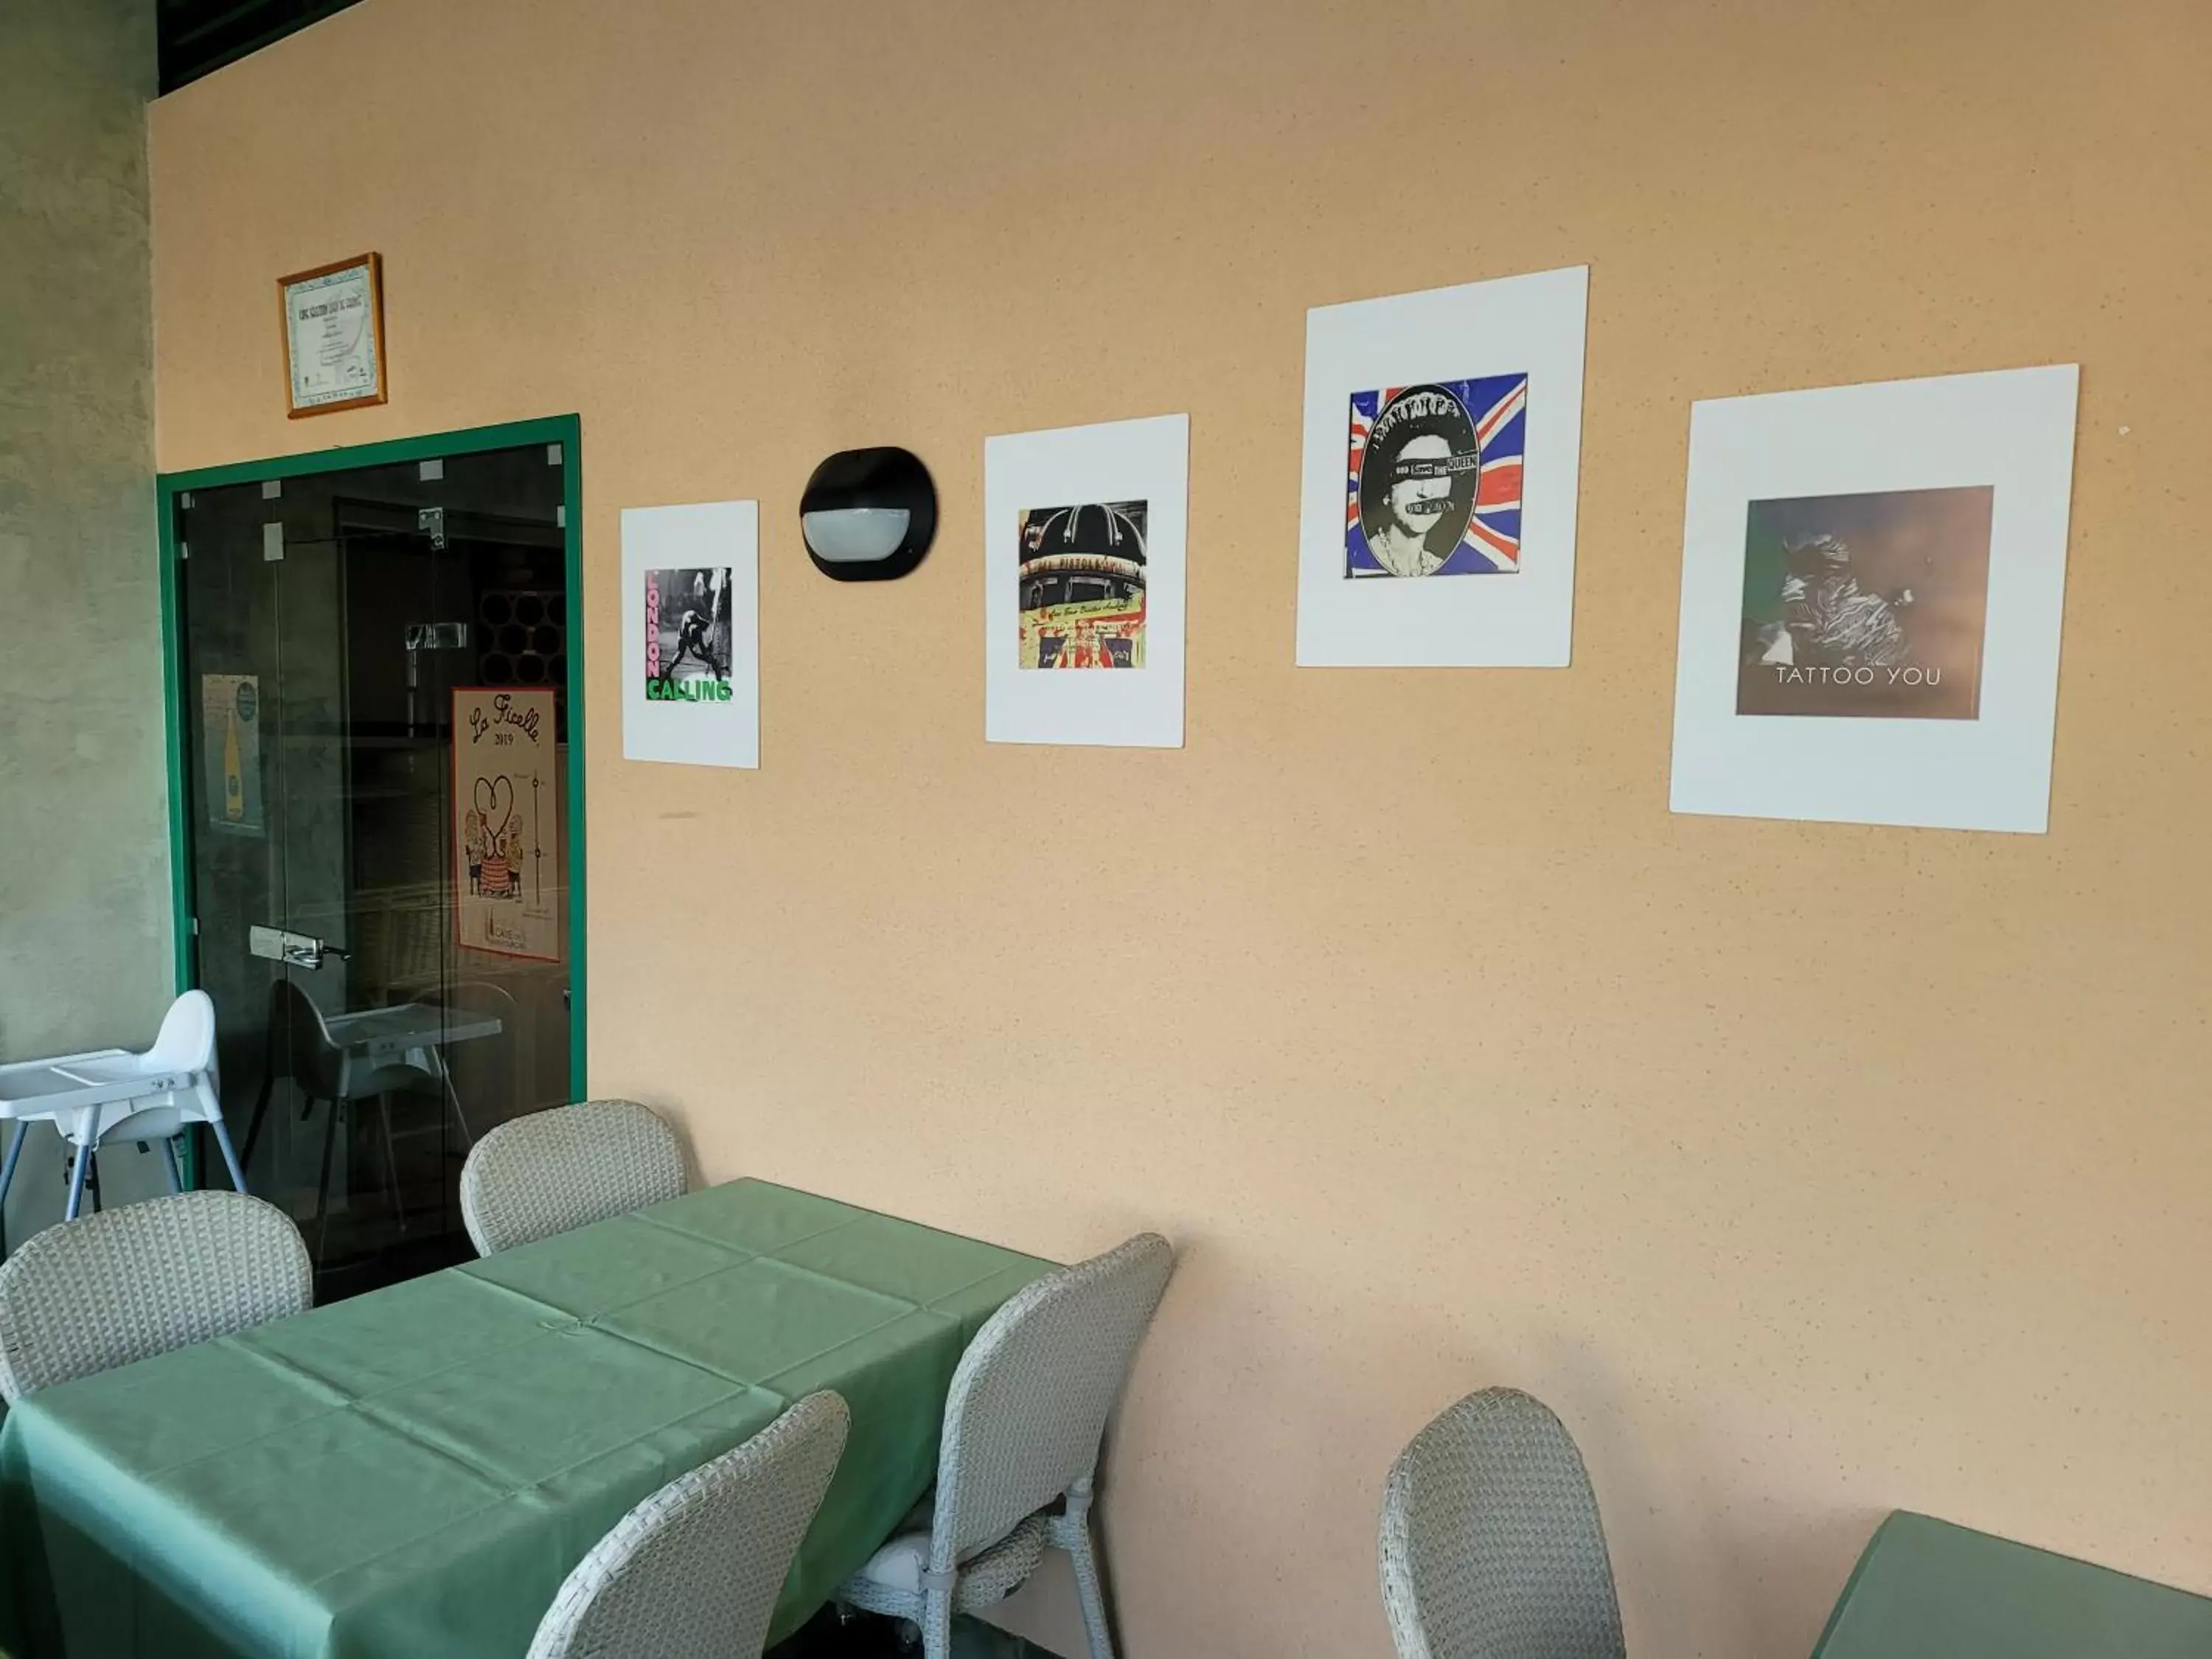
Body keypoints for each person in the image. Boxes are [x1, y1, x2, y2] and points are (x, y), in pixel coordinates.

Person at [1354, 386, 1481, 577]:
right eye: (1414, 475)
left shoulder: (1438, 565)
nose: (1427, 491)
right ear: (1387, 489)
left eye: (1439, 474)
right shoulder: (1359, 562)